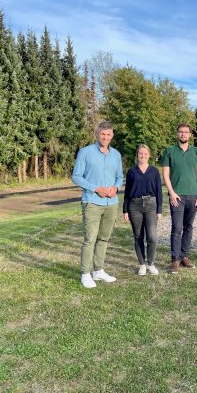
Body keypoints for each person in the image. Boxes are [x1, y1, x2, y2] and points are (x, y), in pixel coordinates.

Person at [71, 121, 123, 289]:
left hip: (111, 203)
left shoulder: (116, 154)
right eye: (102, 134)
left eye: (108, 134)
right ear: (97, 134)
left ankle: (98, 270)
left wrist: (116, 187)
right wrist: (96, 188)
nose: (105, 137)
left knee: (104, 238)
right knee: (90, 239)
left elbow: (120, 177)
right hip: (92, 202)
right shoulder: (85, 152)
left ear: (112, 136)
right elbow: (76, 176)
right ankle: (85, 274)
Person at [160, 123, 197, 274]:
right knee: (177, 228)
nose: (183, 134)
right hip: (177, 196)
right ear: (177, 134)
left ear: (190, 135)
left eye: (186, 132)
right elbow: (165, 174)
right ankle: (175, 260)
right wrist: (172, 193)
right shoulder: (170, 151)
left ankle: (184, 256)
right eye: (181, 132)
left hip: (193, 195)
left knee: (188, 227)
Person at [123, 144, 162, 276]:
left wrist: (159, 210)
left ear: (149, 156)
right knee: (138, 236)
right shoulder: (131, 172)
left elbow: (159, 192)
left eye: (145, 154)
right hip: (134, 205)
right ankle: (142, 264)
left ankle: (150, 263)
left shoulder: (154, 171)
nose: (143, 156)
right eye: (140, 153)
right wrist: (125, 209)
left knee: (152, 236)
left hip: (151, 204)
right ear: (137, 155)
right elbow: (127, 192)